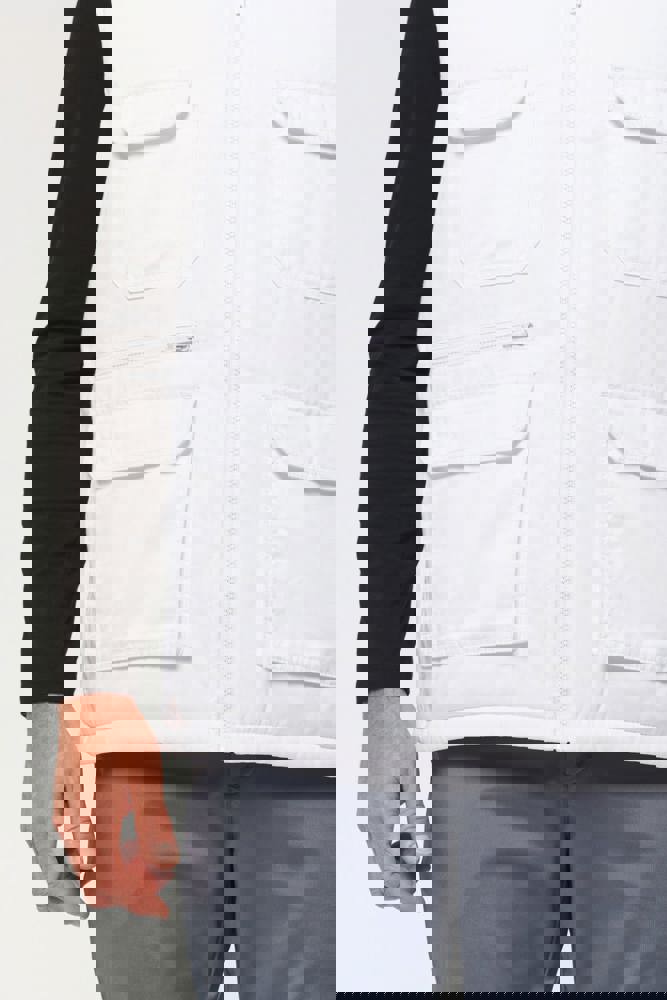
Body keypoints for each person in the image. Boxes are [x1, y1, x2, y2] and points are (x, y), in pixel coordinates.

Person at [24, 1, 336, 997]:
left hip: (311, 730)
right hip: (139, 733)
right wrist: (47, 707)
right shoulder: (111, 18)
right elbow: (65, 359)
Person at [364, 0, 667, 990]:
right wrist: (383, 687)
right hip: (481, 705)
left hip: (650, 720)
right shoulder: (446, 19)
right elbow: (400, 342)